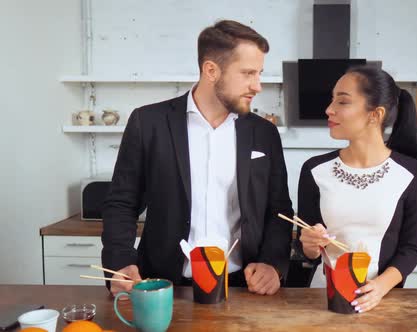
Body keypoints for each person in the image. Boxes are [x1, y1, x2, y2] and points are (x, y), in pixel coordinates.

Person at [101, 20, 294, 297]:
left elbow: (279, 210)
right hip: (163, 284)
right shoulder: (148, 122)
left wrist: (272, 264)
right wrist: (121, 262)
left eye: (259, 73)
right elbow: (122, 201)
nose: (258, 86)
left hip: (242, 287)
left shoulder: (264, 133)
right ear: (211, 70)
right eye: (248, 73)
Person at [296, 66, 417, 312]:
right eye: (331, 99)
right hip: (321, 298)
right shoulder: (314, 170)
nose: (329, 109)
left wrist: (380, 286)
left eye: (342, 101)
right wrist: (309, 244)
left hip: (380, 299)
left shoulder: (413, 174)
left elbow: (412, 248)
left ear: (375, 114)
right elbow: (307, 250)